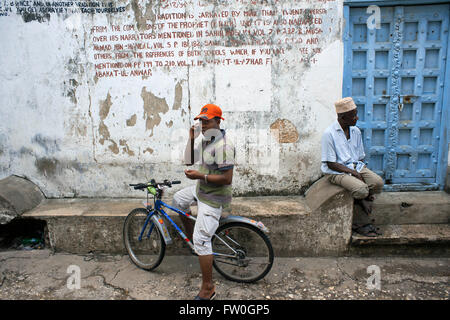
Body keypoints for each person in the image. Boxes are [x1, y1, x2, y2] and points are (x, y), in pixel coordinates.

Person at [171, 103, 235, 300]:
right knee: (177, 201)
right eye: (201, 121)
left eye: (206, 121)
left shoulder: (224, 146)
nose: (203, 124)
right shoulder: (206, 141)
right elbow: (188, 160)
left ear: (218, 121)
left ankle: (208, 288)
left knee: (202, 240)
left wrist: (201, 176)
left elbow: (227, 178)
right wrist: (191, 138)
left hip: (214, 198)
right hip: (201, 190)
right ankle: (193, 241)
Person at [321, 97, 384, 237]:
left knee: (378, 183)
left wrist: (360, 171)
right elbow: (331, 163)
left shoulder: (355, 131)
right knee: (361, 190)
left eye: (356, 113)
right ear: (343, 117)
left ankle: (363, 198)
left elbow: (360, 156)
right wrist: (353, 174)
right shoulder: (329, 134)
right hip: (336, 171)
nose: (357, 117)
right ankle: (361, 210)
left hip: (355, 166)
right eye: (353, 115)